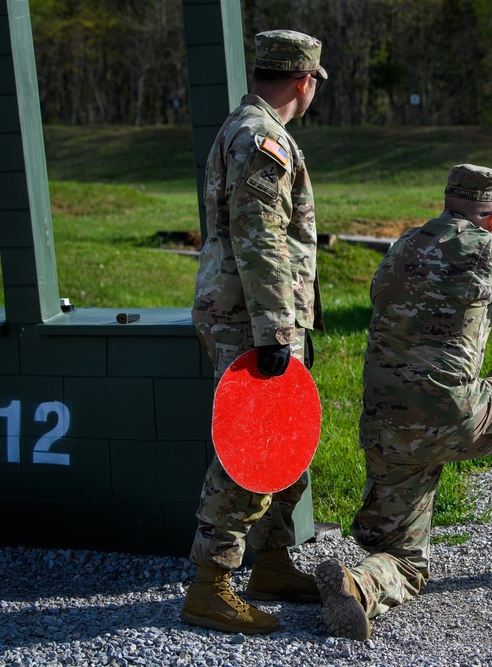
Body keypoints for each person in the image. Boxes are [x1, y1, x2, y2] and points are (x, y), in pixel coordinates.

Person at [315, 164, 492, 640]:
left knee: (407, 561)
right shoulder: (487, 249)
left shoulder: (403, 245)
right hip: (452, 418)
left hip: (386, 426)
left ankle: (357, 586)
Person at [181, 29, 327, 635]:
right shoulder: (262, 138)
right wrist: (274, 330)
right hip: (253, 318)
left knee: (288, 436)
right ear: (304, 81)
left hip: (263, 314)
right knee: (251, 445)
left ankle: (271, 561)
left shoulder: (251, 129)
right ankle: (210, 585)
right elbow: (260, 237)